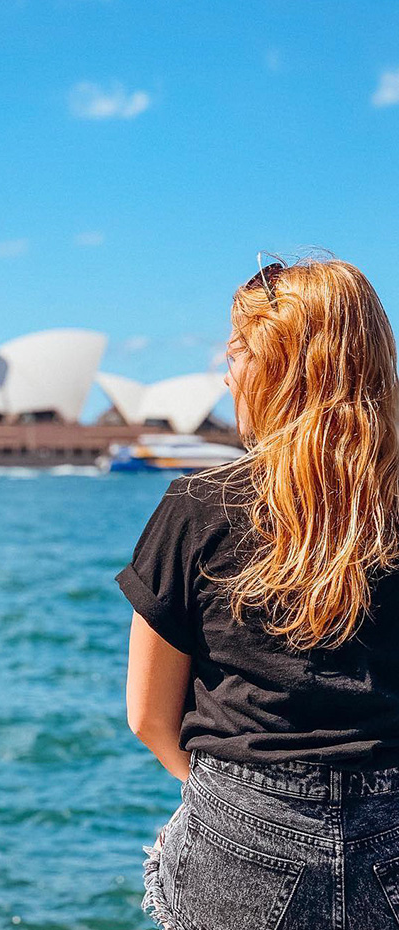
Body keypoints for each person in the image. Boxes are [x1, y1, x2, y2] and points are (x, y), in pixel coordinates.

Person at [114, 254, 399, 930]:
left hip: (238, 837)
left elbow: (148, 718)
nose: (226, 372)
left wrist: (240, 802)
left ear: (278, 369)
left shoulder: (196, 507)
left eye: (239, 353)